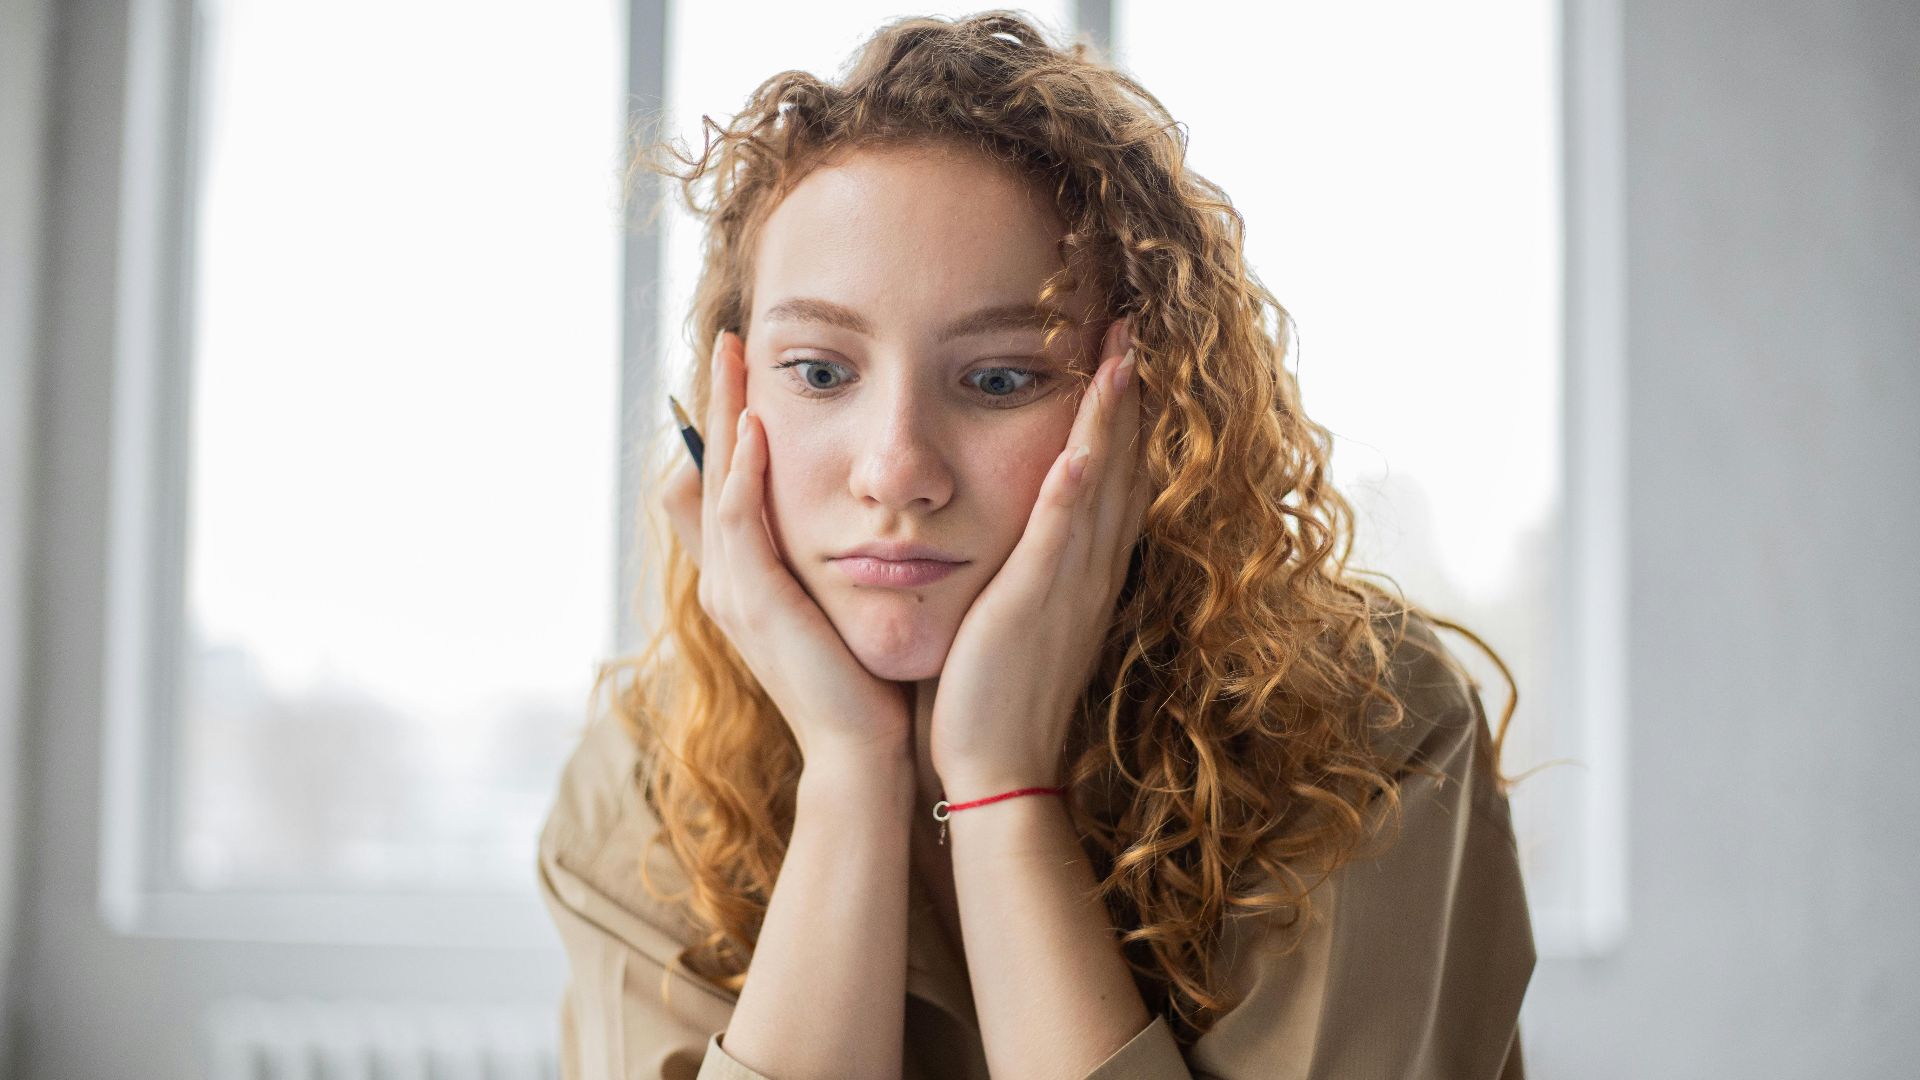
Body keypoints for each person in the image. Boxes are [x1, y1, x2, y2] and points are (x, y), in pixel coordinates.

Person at [537, 11, 1537, 1079]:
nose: (897, 469)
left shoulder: (1367, 739)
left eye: (1001, 379)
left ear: (1151, 414)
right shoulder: (644, 781)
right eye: (821, 373)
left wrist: (1003, 793)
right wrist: (851, 770)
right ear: (730, 412)